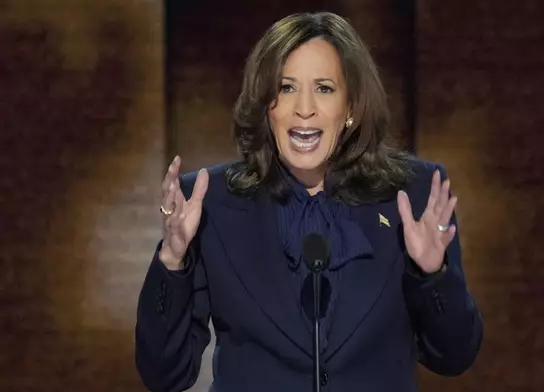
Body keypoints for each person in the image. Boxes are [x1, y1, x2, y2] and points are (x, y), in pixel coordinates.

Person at [134, 11, 483, 392]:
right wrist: (172, 259)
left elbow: (454, 357)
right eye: (285, 88)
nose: (304, 108)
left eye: (324, 88)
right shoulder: (210, 203)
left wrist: (433, 275)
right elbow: (165, 374)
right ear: (267, 106)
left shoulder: (411, 195)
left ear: (350, 107)